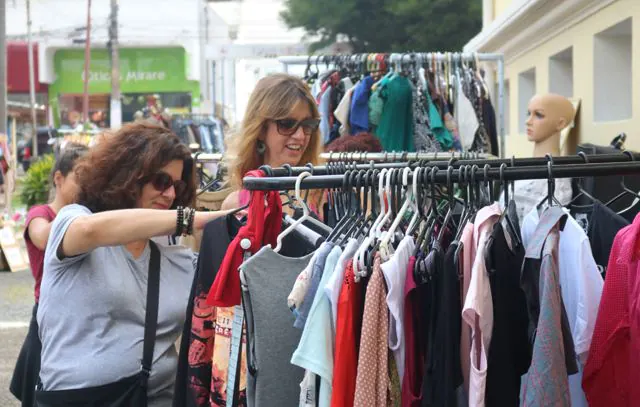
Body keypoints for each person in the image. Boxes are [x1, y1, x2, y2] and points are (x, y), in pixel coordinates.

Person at [34, 122, 232, 406]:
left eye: (177, 186)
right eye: (161, 182)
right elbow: (89, 231)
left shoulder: (174, 253)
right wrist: (192, 220)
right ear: (128, 175)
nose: (171, 195)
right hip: (79, 399)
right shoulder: (74, 220)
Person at [10, 144, 88, 407]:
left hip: (80, 320)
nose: (86, 186)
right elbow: (43, 237)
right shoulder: (40, 214)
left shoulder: (89, 217)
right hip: (47, 321)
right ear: (58, 178)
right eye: (80, 177)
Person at [221, 73, 323, 212]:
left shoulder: (324, 197)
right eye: (287, 124)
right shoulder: (235, 205)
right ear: (261, 129)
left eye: (308, 125)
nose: (300, 135)